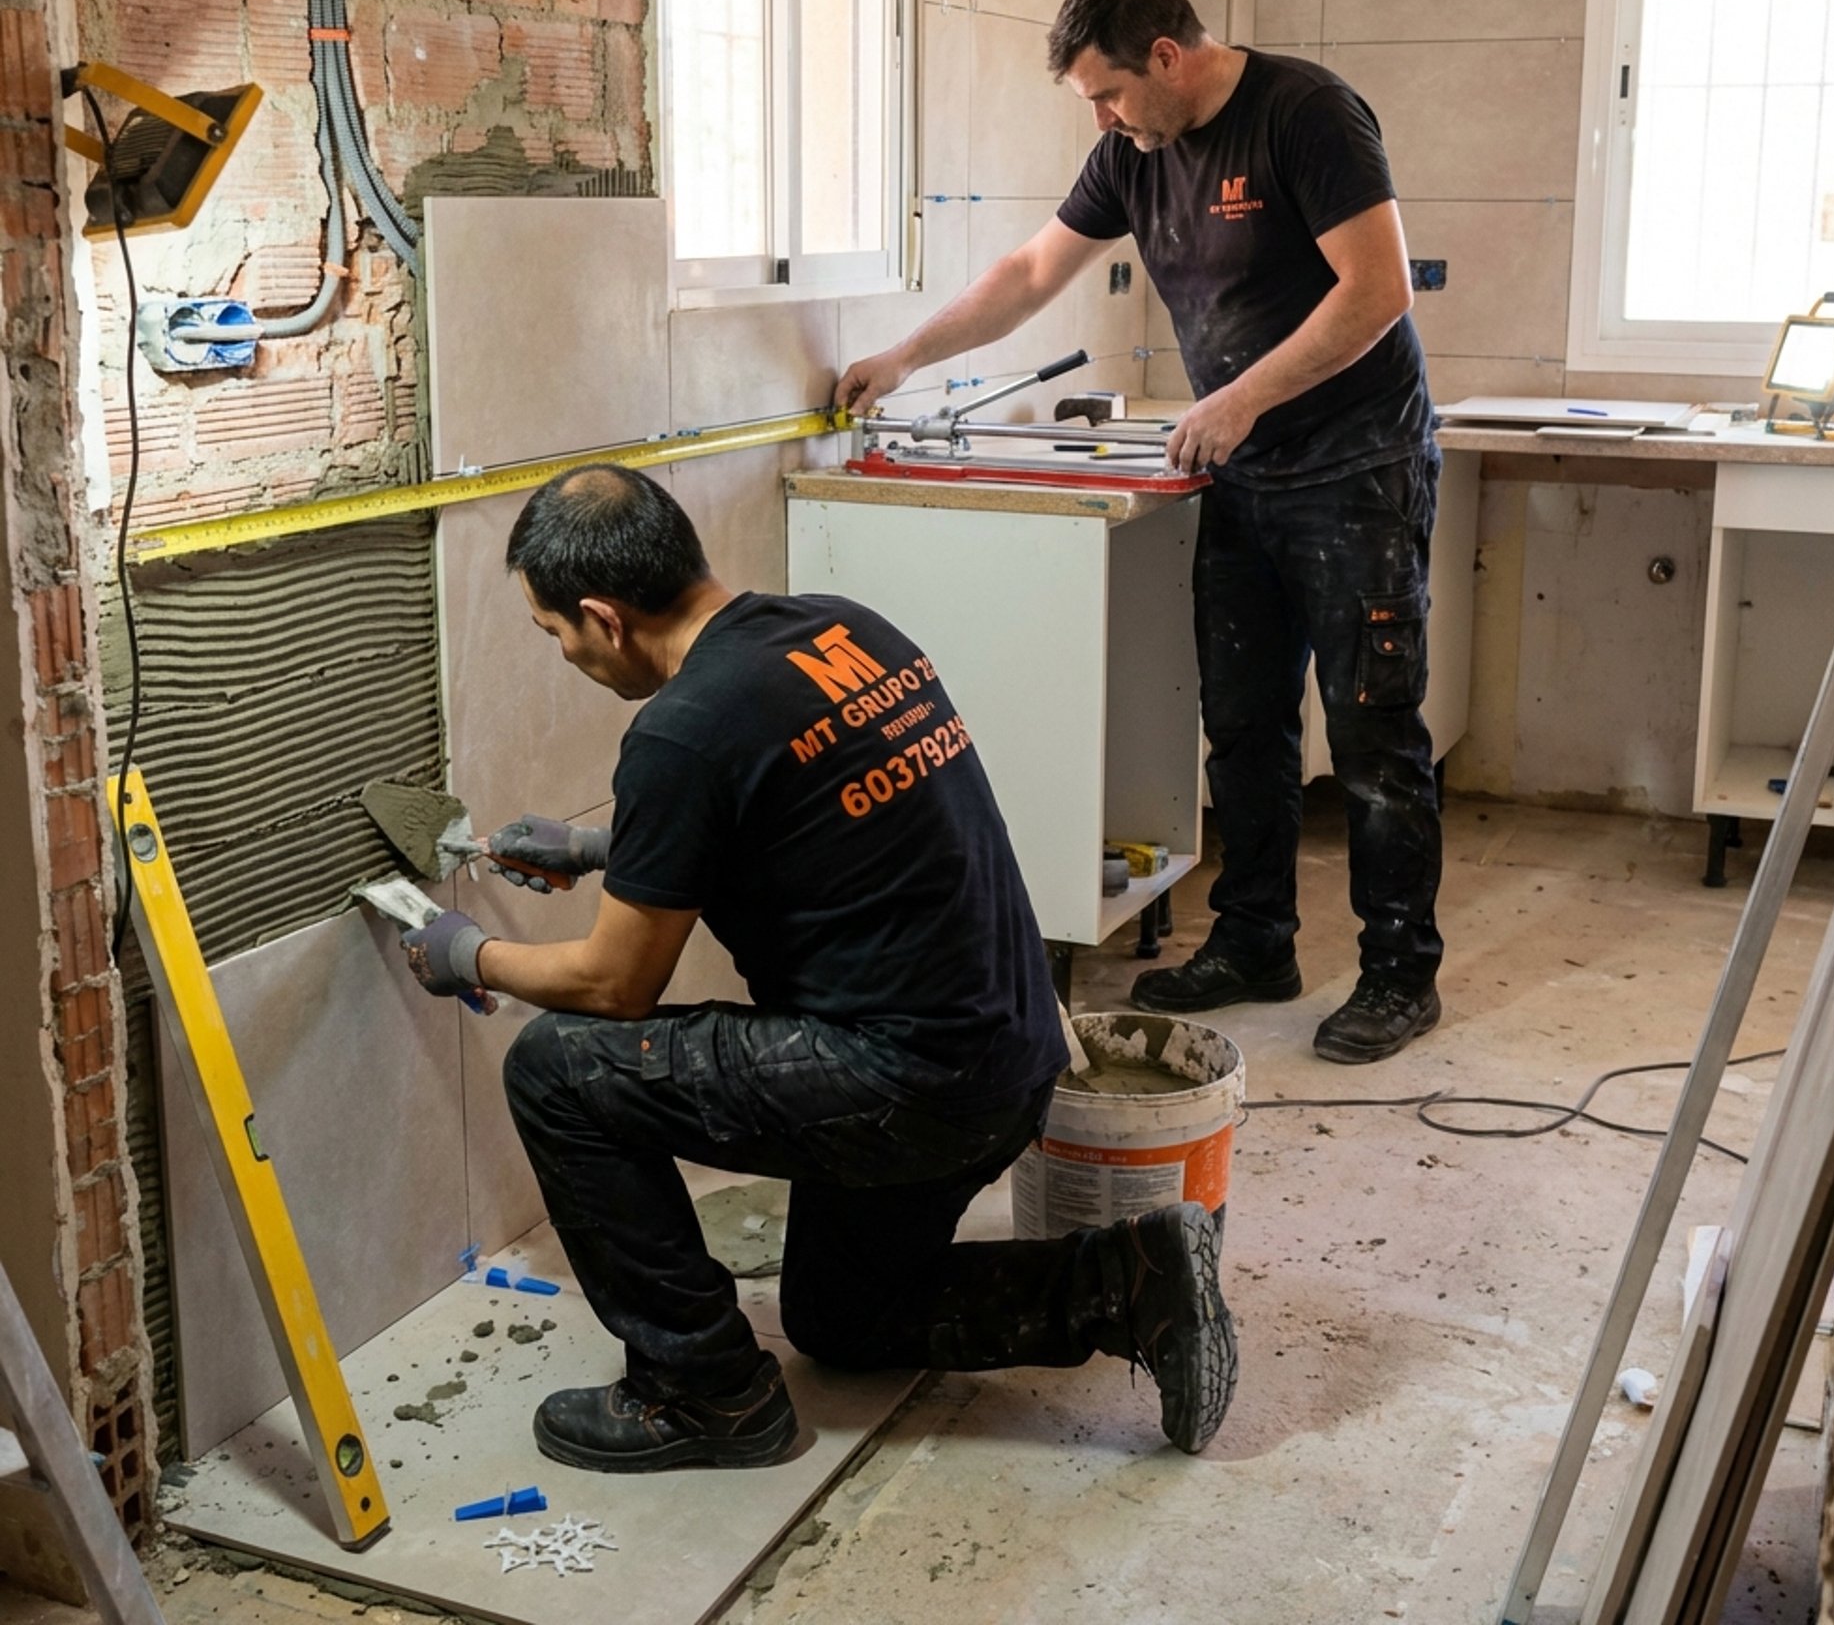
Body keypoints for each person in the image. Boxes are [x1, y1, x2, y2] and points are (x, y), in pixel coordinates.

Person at [399, 465, 1237, 1472]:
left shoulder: (678, 731)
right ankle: (1129, 1279)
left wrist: (468, 954)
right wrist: (595, 852)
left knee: (557, 1069)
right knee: (844, 1321)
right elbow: (790, 808)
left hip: (909, 1084)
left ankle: (703, 1394)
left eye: (557, 635)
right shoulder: (842, 633)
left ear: (604, 618)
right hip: (1012, 1057)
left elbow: (615, 987)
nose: (567, 654)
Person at [836, 0, 1444, 1065]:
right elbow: (1032, 271)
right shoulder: (1132, 152)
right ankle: (1256, 939)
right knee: (1245, 725)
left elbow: (1377, 291)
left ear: (1167, 56)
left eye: (1110, 95)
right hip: (1244, 478)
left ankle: (1401, 972)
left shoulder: (1306, 114)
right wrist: (904, 354)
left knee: (1372, 732)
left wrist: (1241, 398)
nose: (1106, 122)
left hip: (1358, 469)